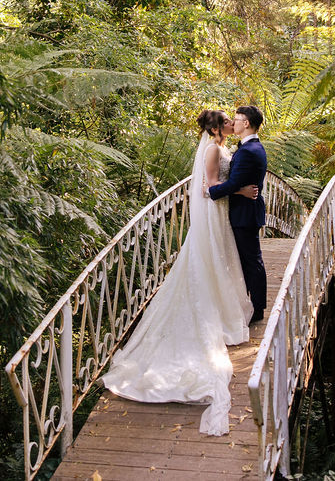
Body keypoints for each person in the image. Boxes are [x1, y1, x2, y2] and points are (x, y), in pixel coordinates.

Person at [101, 110, 260, 435]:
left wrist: (239, 191)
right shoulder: (214, 149)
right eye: (228, 121)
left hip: (222, 212)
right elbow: (208, 188)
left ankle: (221, 298)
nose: (233, 122)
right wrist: (241, 192)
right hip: (216, 212)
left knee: (221, 261)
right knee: (213, 260)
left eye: (235, 119)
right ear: (218, 128)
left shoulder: (221, 146)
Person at [208, 105, 268, 323]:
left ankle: (258, 309)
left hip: (245, 213)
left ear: (247, 123)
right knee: (245, 261)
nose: (234, 122)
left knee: (251, 261)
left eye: (237, 119)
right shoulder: (248, 148)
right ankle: (249, 305)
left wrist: (210, 191)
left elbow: (233, 182)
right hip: (244, 211)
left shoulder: (249, 151)